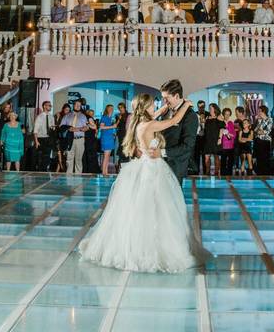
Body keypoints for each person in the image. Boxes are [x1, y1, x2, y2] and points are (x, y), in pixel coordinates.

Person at [78, 94, 207, 272]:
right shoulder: (149, 124)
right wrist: (186, 104)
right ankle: (151, 249)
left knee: (146, 209)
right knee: (156, 208)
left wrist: (165, 106)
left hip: (145, 166)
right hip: (153, 169)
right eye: (153, 105)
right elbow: (175, 120)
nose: (155, 106)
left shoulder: (140, 123)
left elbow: (156, 116)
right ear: (145, 106)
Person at [157, 79, 199, 184]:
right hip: (160, 163)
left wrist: (163, 152)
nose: (164, 102)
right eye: (163, 98)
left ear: (176, 96)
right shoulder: (165, 110)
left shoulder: (190, 115)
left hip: (175, 165)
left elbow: (187, 145)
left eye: (166, 98)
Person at [63, 100, 89, 174]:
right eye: (76, 104)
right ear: (73, 105)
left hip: (80, 140)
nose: (78, 106)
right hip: (70, 139)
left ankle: (78, 176)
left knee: (78, 159)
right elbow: (61, 126)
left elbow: (86, 127)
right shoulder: (67, 115)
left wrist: (80, 128)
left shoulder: (83, 116)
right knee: (69, 159)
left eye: (79, 105)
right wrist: (69, 128)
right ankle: (69, 177)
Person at [201, 103, 223, 176]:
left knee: (216, 157)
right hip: (207, 140)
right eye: (209, 108)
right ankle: (207, 172)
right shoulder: (207, 118)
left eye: (211, 108)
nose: (209, 109)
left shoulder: (219, 117)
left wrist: (220, 138)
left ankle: (217, 172)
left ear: (215, 109)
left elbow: (222, 128)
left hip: (216, 139)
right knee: (206, 157)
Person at [31, 101, 52, 172]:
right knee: (40, 156)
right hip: (41, 139)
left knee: (47, 156)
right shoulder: (39, 117)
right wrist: (36, 141)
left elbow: (52, 127)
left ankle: (45, 170)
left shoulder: (51, 116)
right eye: (48, 105)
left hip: (48, 138)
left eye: (50, 105)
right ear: (44, 106)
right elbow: (35, 130)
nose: (50, 106)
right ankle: (40, 171)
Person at [97, 104, 118, 175]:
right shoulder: (104, 117)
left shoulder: (110, 118)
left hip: (110, 138)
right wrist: (112, 126)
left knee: (108, 156)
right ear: (107, 109)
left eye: (112, 108)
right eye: (110, 108)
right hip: (106, 139)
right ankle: (104, 172)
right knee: (106, 156)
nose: (111, 110)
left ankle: (106, 171)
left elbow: (110, 128)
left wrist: (113, 132)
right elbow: (101, 127)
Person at [253, 105, 273, 175]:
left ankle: (266, 173)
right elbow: (255, 130)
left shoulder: (269, 119)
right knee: (259, 157)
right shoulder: (259, 120)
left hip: (265, 141)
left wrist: (260, 131)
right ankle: (259, 172)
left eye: (259, 111)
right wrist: (257, 121)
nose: (258, 112)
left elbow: (267, 131)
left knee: (265, 158)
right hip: (258, 140)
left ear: (263, 111)